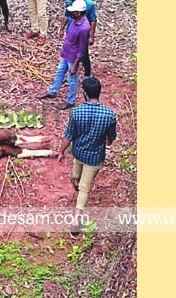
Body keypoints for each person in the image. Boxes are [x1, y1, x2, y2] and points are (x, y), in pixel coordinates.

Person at [55, 77, 117, 237]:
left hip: (78, 153)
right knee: (84, 188)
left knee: (78, 179)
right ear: (99, 92)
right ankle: (76, 221)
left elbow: (68, 135)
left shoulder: (76, 112)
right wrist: (104, 140)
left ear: (84, 93)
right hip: (95, 157)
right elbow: (110, 139)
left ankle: (76, 216)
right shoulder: (109, 115)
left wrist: (61, 151)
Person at [38, 0, 90, 110]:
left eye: (74, 12)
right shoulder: (73, 20)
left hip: (73, 57)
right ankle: (52, 91)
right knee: (59, 72)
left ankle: (71, 101)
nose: (72, 14)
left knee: (72, 79)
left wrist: (75, 65)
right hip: (66, 54)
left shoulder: (84, 28)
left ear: (79, 13)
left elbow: (82, 49)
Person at [59, 0, 98, 78]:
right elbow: (66, 16)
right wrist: (62, 29)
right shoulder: (70, 2)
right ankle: (67, 72)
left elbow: (93, 20)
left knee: (83, 53)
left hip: (82, 33)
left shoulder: (89, 4)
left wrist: (92, 36)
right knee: (69, 52)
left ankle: (87, 75)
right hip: (71, 31)